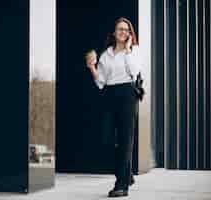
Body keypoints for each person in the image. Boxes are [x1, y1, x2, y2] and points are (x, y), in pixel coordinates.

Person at [85, 17, 143, 197]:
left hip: (127, 94)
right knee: (107, 138)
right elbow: (101, 82)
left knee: (125, 140)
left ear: (130, 33)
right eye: (120, 29)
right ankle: (127, 174)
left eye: (126, 30)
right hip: (111, 94)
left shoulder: (134, 51)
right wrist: (92, 66)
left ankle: (121, 185)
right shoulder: (106, 54)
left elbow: (134, 73)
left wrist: (127, 51)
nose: (123, 32)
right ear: (114, 32)